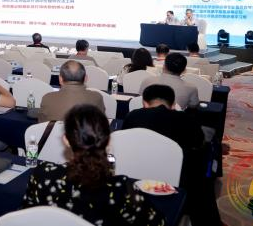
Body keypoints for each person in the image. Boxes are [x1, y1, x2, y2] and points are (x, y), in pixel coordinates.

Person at [23, 105, 166, 226]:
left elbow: (27, 216)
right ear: (108, 141)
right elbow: (158, 223)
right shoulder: (121, 189)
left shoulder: (41, 174)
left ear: (66, 140)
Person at [123, 85, 221, 225]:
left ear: (144, 103)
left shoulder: (132, 116)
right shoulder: (186, 119)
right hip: (176, 180)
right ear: (173, 105)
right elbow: (199, 143)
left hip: (134, 175)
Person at [38, 60, 104, 122]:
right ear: (85, 78)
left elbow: (41, 124)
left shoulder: (47, 98)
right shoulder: (97, 98)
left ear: (60, 79)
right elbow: (100, 123)